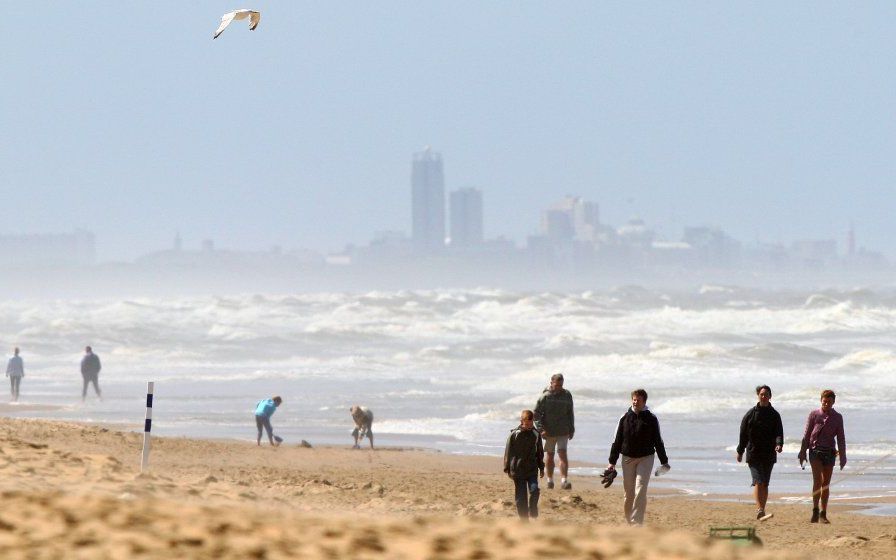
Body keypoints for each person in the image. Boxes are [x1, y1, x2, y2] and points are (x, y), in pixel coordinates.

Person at [606, 388, 670, 525]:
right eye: (634, 399)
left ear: (644, 402)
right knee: (629, 493)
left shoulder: (651, 419)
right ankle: (629, 520)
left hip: (646, 458)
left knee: (640, 488)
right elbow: (616, 440)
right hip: (627, 458)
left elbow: (658, 441)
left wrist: (664, 461)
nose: (635, 402)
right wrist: (612, 462)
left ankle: (637, 522)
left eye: (638, 400)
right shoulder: (624, 417)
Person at [798, 389, 846, 524]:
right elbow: (806, 434)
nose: (826, 404)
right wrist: (802, 452)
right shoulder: (814, 414)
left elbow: (841, 438)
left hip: (830, 453)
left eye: (829, 402)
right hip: (815, 451)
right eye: (824, 401)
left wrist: (843, 456)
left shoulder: (838, 417)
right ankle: (814, 510)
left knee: (826, 484)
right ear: (821, 400)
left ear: (833, 402)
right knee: (817, 481)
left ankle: (823, 513)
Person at [736, 385, 784, 520]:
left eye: (766, 394)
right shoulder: (750, 414)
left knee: (765, 483)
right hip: (753, 453)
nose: (763, 396)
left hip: (769, 453)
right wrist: (740, 451)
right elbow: (743, 434)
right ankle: (759, 509)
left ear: (770, 396)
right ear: (758, 395)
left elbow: (779, 432)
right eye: (761, 394)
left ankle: (762, 508)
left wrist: (779, 444)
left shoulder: (774, 415)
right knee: (758, 481)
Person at [534, 372, 574, 489]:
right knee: (550, 455)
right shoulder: (545, 396)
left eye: (561, 385)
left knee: (562, 454)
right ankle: (550, 480)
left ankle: (564, 480)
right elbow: (536, 414)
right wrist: (541, 430)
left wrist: (571, 428)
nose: (558, 388)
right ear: (551, 383)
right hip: (549, 431)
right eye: (556, 385)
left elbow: (570, 413)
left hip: (563, 430)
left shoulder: (567, 395)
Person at [503, 409, 545, 521]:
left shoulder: (536, 434)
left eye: (531, 424)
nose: (529, 426)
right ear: (521, 421)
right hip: (518, 469)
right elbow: (508, 451)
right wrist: (507, 468)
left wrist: (541, 467)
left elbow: (540, 452)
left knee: (535, 490)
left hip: (532, 469)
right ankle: (524, 520)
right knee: (521, 497)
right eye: (526, 424)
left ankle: (533, 510)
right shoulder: (514, 434)